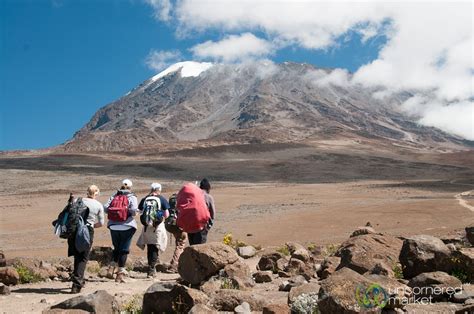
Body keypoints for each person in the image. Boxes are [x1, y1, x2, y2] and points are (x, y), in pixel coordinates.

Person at [69, 185, 105, 293]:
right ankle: (76, 285)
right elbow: (101, 223)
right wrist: (92, 225)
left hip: (74, 230)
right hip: (87, 230)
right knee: (83, 257)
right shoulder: (98, 205)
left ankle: (78, 279)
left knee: (77, 255)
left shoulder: (77, 200)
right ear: (96, 193)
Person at [104, 179, 138, 283]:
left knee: (116, 247)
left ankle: (111, 268)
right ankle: (120, 274)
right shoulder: (132, 197)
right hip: (127, 226)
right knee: (124, 249)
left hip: (113, 226)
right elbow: (134, 210)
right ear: (130, 187)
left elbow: (105, 208)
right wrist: (127, 212)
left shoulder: (114, 195)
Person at [136, 183, 169, 277]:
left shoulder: (145, 198)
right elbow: (166, 215)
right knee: (155, 247)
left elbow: (139, 211)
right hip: (157, 226)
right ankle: (151, 269)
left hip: (146, 227)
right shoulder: (161, 199)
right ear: (159, 189)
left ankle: (151, 268)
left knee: (150, 247)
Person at [164, 193, 187, 273]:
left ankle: (174, 263)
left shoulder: (170, 205)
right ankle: (174, 266)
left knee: (178, 243)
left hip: (170, 225)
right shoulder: (181, 205)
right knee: (180, 245)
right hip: (178, 226)